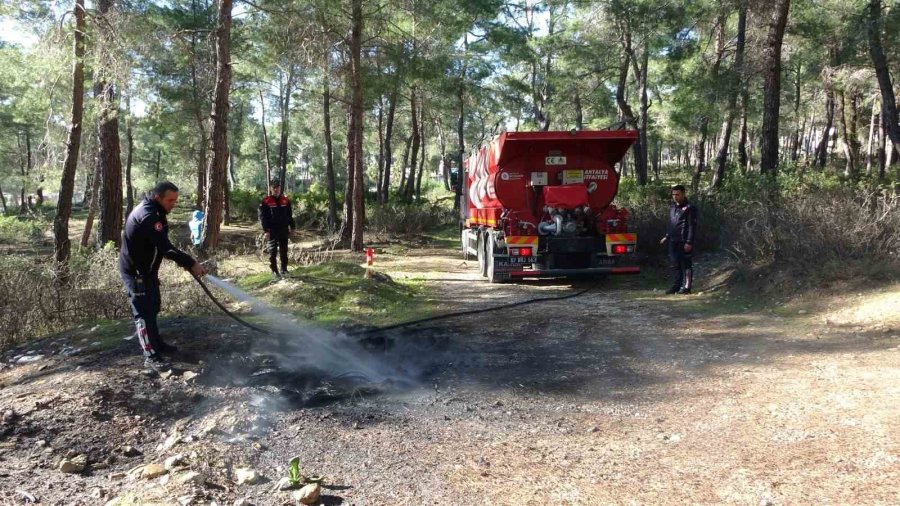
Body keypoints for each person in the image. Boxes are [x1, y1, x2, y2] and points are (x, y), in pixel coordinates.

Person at [119, 181, 206, 370]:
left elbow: (159, 246)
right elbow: (166, 248)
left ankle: (157, 343)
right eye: (170, 200)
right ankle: (150, 356)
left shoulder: (156, 211)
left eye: (175, 200)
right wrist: (191, 263)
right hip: (136, 274)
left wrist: (185, 263)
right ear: (158, 197)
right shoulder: (149, 215)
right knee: (143, 314)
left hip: (148, 271)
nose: (173, 204)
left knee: (153, 307)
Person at [660, 184, 698, 295]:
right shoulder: (672, 207)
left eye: (677, 194)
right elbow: (672, 224)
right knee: (675, 264)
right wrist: (666, 236)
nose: (675, 196)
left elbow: (692, 226)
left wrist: (689, 242)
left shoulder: (690, 208)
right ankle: (676, 286)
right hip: (673, 241)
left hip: (684, 241)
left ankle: (687, 287)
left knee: (686, 264)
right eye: (673, 194)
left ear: (683, 194)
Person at [258, 180, 295, 279]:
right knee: (272, 252)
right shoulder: (266, 201)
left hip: (283, 229)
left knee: (284, 251)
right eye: (274, 187)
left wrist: (292, 227)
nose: (276, 189)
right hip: (272, 231)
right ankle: (274, 271)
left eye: (277, 187)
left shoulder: (285, 200)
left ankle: (284, 269)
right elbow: (263, 218)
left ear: (280, 188)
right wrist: (266, 231)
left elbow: (289, 215)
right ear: (271, 189)